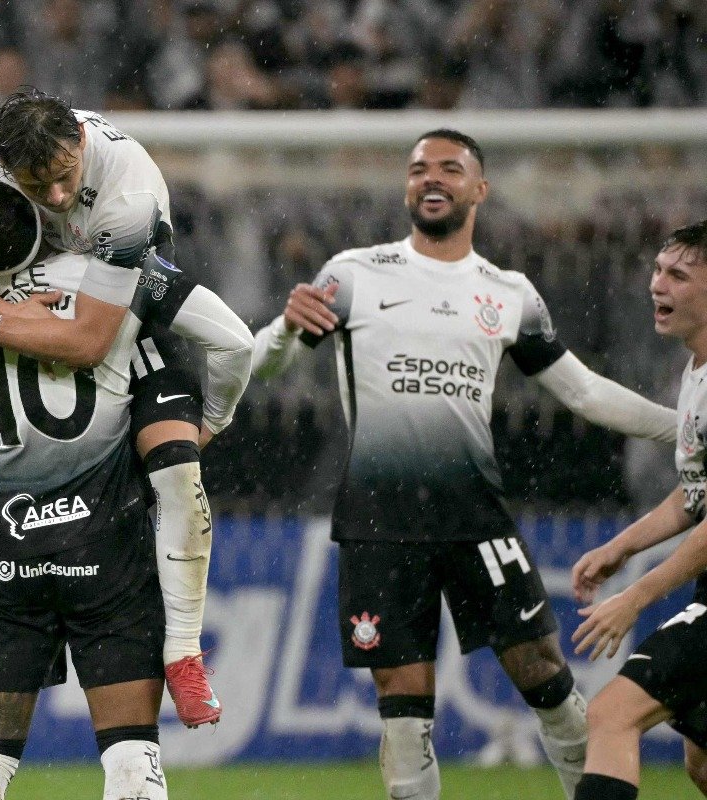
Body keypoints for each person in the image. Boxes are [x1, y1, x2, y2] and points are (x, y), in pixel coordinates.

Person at [250, 129, 678, 800]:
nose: (431, 178)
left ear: (479, 190)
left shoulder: (507, 292)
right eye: (419, 168)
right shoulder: (354, 273)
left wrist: (682, 428)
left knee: (543, 672)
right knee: (403, 706)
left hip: (475, 517)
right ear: (407, 187)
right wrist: (281, 329)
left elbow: (585, 391)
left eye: (450, 168)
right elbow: (262, 365)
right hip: (379, 521)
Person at [0, 87, 228, 726]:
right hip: (19, 313)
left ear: (82, 145)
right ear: (6, 170)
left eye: (66, 177)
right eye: (40, 186)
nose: (59, 199)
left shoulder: (129, 197)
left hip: (124, 322)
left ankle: (183, 650)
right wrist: (2, 312)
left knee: (177, 468)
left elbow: (89, 341)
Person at [570, 221, 707, 800]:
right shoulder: (695, 372)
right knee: (702, 765)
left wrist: (635, 597)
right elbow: (695, 494)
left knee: (612, 714)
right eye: (656, 270)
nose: (658, 285)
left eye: (678, 274)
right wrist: (619, 548)